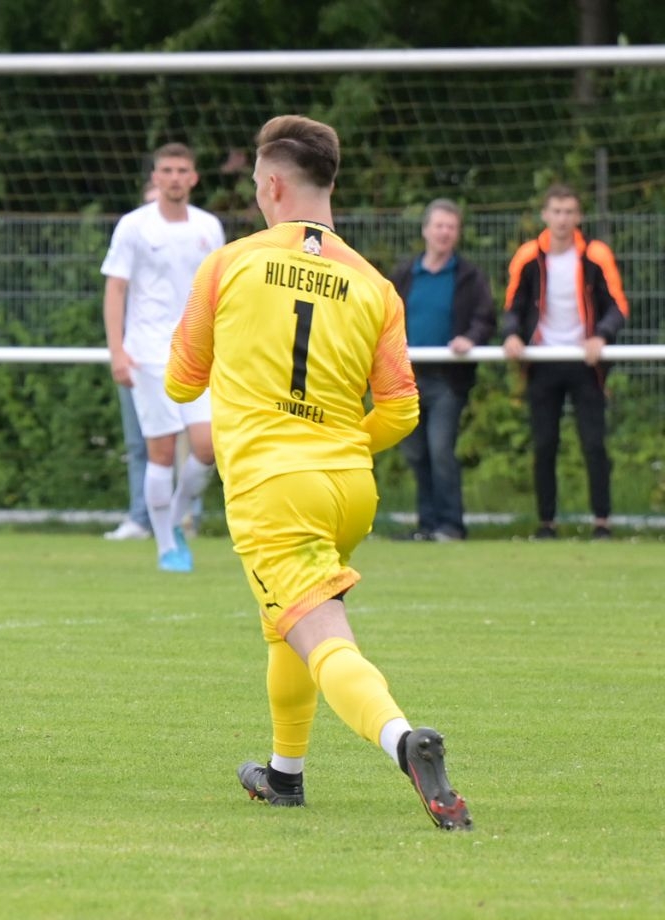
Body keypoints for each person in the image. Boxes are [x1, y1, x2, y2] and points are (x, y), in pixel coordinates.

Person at [167, 115, 470, 830]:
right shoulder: (375, 285)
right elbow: (401, 409)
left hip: (275, 487)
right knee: (285, 624)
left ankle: (404, 740)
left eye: (255, 184)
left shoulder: (229, 263)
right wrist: (337, 442)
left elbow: (181, 381)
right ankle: (284, 775)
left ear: (273, 184)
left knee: (323, 635)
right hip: (349, 489)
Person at [103, 143, 224, 572]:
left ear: (193, 178)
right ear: (155, 177)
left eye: (182, 170)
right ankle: (166, 547)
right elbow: (116, 288)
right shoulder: (134, 226)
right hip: (149, 354)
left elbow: (218, 292)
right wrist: (117, 350)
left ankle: (172, 519)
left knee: (207, 447)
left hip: (197, 352)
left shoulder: (209, 227)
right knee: (161, 452)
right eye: (167, 170)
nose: (174, 178)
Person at [500, 183, 628, 540]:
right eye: (556, 211)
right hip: (543, 360)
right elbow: (512, 306)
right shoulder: (528, 255)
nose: (562, 219)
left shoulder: (596, 254)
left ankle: (602, 521)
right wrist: (511, 335)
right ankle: (547, 523)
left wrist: (600, 335)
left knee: (594, 443)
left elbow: (617, 306)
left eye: (569, 211)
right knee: (544, 444)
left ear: (579, 216)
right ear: (545, 215)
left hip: (586, 362)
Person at [388, 200, 496, 541]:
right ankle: (427, 524)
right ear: (426, 230)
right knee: (415, 452)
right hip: (406, 378)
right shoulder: (405, 275)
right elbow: (383, 315)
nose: (444, 232)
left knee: (440, 450)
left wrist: (470, 338)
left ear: (457, 233)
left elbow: (485, 317)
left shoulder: (468, 276)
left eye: (451, 227)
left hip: (447, 379)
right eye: (439, 225)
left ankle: (451, 525)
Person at [105, 177, 162, 542]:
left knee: (199, 446)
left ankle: (185, 517)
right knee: (141, 443)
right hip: (140, 358)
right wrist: (119, 351)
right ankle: (142, 519)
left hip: (184, 357)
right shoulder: (132, 234)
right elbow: (115, 287)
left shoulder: (201, 233)